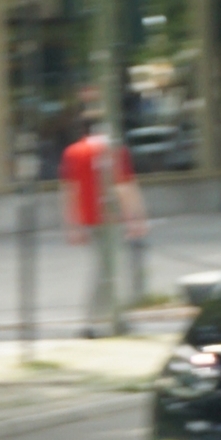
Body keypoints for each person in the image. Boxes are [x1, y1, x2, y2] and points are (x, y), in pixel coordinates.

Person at [60, 113, 148, 338]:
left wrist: (73, 226)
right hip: (110, 219)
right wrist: (136, 218)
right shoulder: (115, 151)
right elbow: (125, 187)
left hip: (89, 220)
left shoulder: (73, 153)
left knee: (106, 269)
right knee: (106, 271)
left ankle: (112, 318)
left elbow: (70, 191)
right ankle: (95, 321)